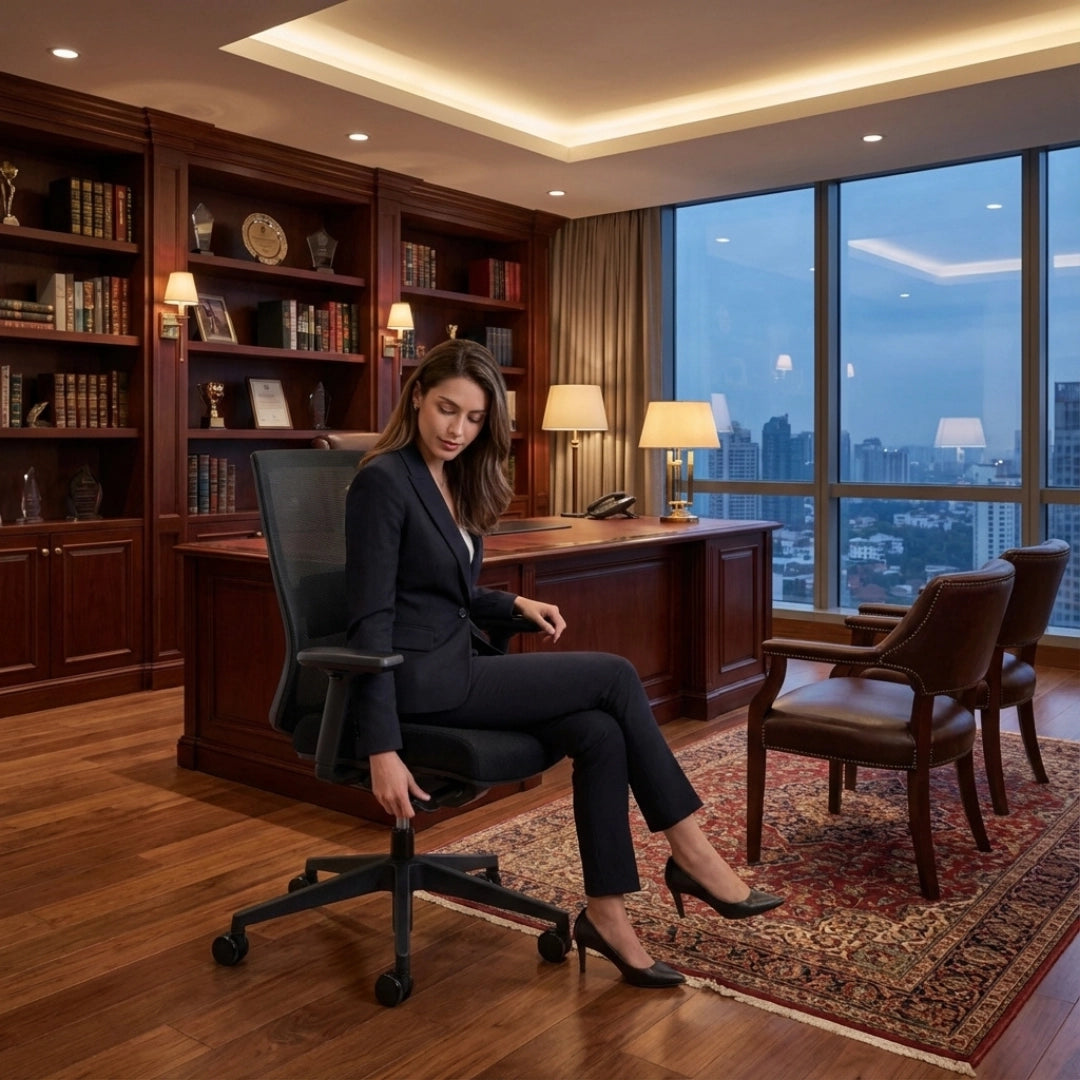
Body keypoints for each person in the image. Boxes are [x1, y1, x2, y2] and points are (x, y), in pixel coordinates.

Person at [345, 339, 782, 989]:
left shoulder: (449, 476)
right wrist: (381, 745)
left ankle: (605, 915)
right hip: (419, 680)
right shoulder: (384, 479)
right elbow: (371, 619)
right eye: (445, 409)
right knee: (614, 674)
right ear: (416, 398)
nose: (457, 429)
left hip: (451, 660)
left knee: (600, 732)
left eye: (473, 418)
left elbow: (440, 590)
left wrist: (509, 600)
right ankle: (690, 851)